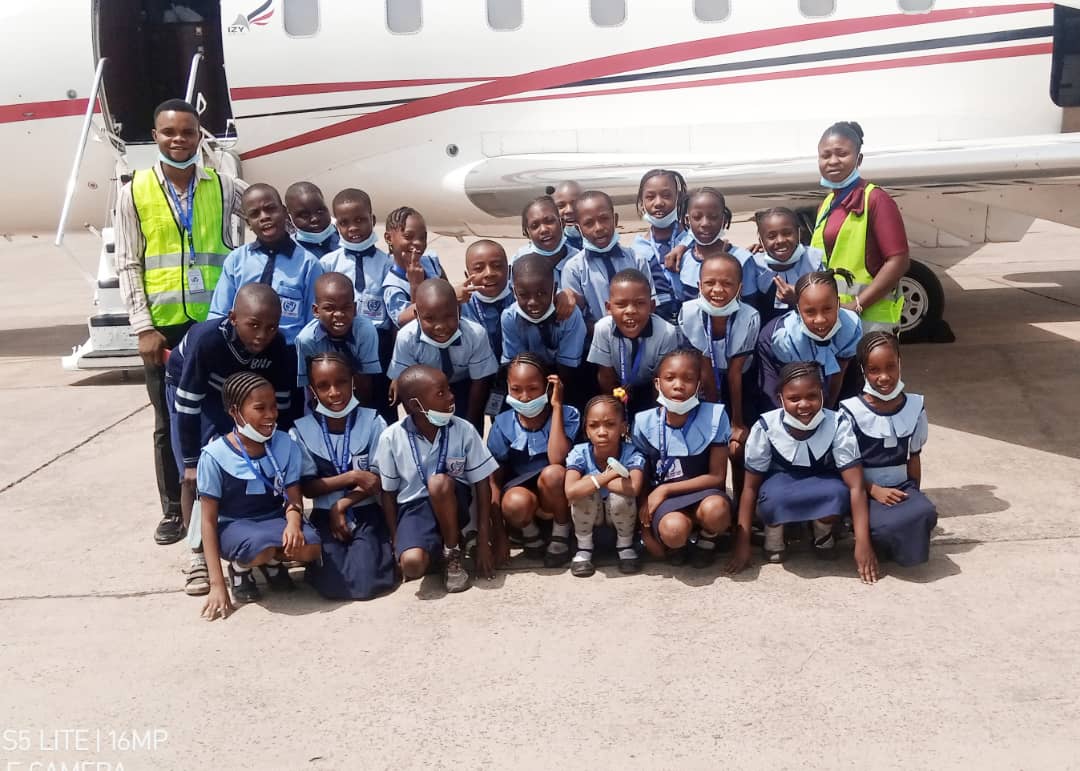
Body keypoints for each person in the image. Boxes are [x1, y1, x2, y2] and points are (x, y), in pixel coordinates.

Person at [115, 98, 246, 546]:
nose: (178, 140)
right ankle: (174, 509)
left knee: (228, 410)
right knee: (166, 419)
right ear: (155, 137)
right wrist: (142, 326)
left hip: (215, 324)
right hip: (165, 326)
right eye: (168, 132)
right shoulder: (134, 191)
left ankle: (229, 498)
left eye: (187, 132)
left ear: (199, 136)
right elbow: (129, 263)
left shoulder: (225, 185)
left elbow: (269, 222)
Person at [166, 283, 299, 595]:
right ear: (232, 318)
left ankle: (261, 539)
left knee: (256, 458)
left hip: (241, 395)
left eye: (271, 327)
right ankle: (197, 553)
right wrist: (189, 460)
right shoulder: (207, 340)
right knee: (197, 473)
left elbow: (281, 406)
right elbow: (188, 406)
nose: (261, 335)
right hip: (197, 394)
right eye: (253, 325)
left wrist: (285, 448)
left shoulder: (277, 346)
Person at [726, 362, 879, 584]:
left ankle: (822, 530)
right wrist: (742, 543)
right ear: (780, 399)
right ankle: (774, 532)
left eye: (812, 396)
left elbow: (856, 486)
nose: (804, 404)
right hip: (780, 489)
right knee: (771, 498)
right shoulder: (766, 426)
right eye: (794, 398)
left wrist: (863, 544)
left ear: (823, 396)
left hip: (823, 484)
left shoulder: (837, 423)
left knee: (840, 492)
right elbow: (750, 488)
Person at [199, 372, 322, 620]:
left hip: (274, 517)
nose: (271, 414)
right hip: (234, 524)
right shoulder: (214, 455)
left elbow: (293, 497)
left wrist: (294, 524)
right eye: (260, 408)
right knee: (260, 548)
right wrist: (216, 585)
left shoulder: (284, 443)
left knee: (310, 547)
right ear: (235, 412)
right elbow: (208, 521)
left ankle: (273, 564)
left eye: (274, 407)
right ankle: (239, 569)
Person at [374, 365, 502, 593]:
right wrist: (397, 542)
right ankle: (437, 550)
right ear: (416, 405)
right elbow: (388, 493)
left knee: (438, 483)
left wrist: (485, 539)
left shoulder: (463, 429)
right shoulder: (391, 437)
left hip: (455, 501)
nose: (452, 396)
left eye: (449, 389)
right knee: (412, 565)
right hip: (414, 508)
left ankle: (453, 554)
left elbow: (483, 483)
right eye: (441, 393)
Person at [290, 353, 396, 600]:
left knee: (366, 584)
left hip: (366, 510)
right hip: (324, 514)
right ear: (311, 389)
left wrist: (343, 503)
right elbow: (308, 488)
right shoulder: (301, 430)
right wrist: (352, 476)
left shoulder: (373, 422)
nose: (334, 392)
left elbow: (377, 479)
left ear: (353, 381)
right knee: (333, 586)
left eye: (341, 383)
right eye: (323, 386)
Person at [840, 332, 937, 566]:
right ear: (863, 371)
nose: (884, 377)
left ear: (900, 364)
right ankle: (868, 533)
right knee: (887, 525)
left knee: (925, 512)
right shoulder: (851, 411)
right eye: (874, 370)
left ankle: (895, 537)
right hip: (865, 490)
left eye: (891, 367)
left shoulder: (914, 406)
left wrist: (914, 492)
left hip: (901, 485)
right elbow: (845, 468)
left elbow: (914, 457)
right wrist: (874, 490)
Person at [632, 349, 733, 568]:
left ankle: (708, 540)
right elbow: (639, 477)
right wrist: (645, 530)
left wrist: (665, 489)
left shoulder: (715, 416)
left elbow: (717, 476)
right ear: (658, 384)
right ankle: (679, 545)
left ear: (698, 385)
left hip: (703, 492)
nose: (678, 385)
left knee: (717, 511)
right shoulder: (643, 422)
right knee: (674, 531)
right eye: (670, 378)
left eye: (688, 379)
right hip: (666, 504)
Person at [812, 121, 910, 334]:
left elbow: (899, 260)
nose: (833, 161)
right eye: (825, 155)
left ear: (859, 159)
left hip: (870, 320)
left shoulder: (875, 199)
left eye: (841, 153)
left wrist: (858, 303)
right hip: (836, 318)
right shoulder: (826, 204)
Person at [677, 250, 761, 499]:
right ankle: (710, 497)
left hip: (740, 382)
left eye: (727, 284)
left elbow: (735, 373)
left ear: (740, 288)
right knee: (707, 441)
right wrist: (714, 420)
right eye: (710, 283)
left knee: (739, 445)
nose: (718, 290)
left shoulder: (749, 317)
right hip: (703, 382)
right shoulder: (688, 313)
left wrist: (735, 422)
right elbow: (703, 366)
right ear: (698, 285)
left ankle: (743, 501)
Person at [487, 356, 578, 568]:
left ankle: (561, 532)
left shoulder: (569, 414)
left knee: (554, 472)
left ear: (548, 386)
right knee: (514, 502)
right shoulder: (502, 423)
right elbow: (494, 478)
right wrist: (498, 531)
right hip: (524, 494)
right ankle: (530, 533)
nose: (525, 397)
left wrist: (556, 407)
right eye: (516, 389)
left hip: (557, 494)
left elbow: (558, 458)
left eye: (533, 388)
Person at [209, 183, 325, 344]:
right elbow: (218, 314)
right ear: (248, 222)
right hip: (240, 354)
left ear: (285, 213)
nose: (264, 217)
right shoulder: (236, 260)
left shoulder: (309, 264)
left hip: (287, 355)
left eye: (271, 209)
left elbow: (313, 323)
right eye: (255, 214)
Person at [319, 188, 395, 423]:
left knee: (381, 406)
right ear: (336, 225)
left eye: (360, 220)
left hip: (378, 344)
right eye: (344, 222)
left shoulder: (387, 263)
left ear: (372, 220)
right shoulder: (328, 263)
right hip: (341, 343)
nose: (353, 228)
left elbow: (391, 314)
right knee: (345, 403)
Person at [387, 278, 498, 431]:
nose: (440, 326)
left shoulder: (475, 334)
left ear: (459, 311)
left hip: (464, 387)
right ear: (416, 315)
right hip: (426, 390)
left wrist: (471, 424)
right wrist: (420, 423)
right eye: (429, 319)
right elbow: (406, 385)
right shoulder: (407, 338)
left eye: (448, 317)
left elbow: (479, 383)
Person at [757, 269, 863, 412]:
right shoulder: (785, 339)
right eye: (810, 312)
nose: (820, 320)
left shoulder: (850, 328)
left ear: (838, 304)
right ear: (798, 310)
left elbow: (838, 373)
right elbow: (796, 383)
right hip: (778, 361)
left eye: (827, 309)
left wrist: (828, 409)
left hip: (827, 368)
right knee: (782, 408)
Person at [564, 395, 646, 577]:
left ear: (623, 428)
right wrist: (609, 475)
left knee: (620, 495)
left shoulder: (631, 452)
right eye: (594, 426)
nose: (602, 432)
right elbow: (570, 491)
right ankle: (584, 549)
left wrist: (591, 481)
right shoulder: (580, 452)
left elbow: (633, 488)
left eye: (610, 424)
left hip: (618, 521)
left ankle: (625, 546)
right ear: (586, 429)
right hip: (590, 521)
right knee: (583, 494)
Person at [587, 268, 680, 419]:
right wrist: (615, 411)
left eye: (639, 303)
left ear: (652, 306)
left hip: (650, 388)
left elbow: (661, 379)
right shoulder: (603, 329)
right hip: (617, 386)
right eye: (621, 304)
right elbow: (605, 376)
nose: (630, 311)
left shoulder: (666, 332)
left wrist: (655, 417)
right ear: (608, 308)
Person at [560, 190, 663, 327]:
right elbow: (576, 318)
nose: (598, 228)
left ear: (615, 220)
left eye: (604, 219)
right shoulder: (574, 269)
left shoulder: (636, 260)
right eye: (589, 223)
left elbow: (650, 304)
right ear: (579, 229)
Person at [500, 252, 587, 387]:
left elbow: (568, 366)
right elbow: (515, 364)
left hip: (565, 376)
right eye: (524, 295)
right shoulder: (510, 317)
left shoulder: (570, 314)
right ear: (514, 293)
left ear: (553, 289)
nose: (533, 302)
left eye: (541, 293)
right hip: (526, 378)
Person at [294, 272, 380, 405]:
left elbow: (366, 381)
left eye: (346, 308)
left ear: (355, 309)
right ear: (316, 311)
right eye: (329, 308)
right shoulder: (306, 340)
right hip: (320, 400)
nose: (339, 314)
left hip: (358, 395)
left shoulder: (365, 331)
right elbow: (310, 387)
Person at [676, 187, 758, 308]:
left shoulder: (742, 259)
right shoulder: (681, 259)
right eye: (697, 217)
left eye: (713, 217)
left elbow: (751, 305)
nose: (705, 223)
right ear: (687, 220)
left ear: (723, 219)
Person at [631, 169, 693, 320]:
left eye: (666, 195)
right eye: (650, 197)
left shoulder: (693, 240)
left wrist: (685, 245)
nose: (658, 203)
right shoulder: (637, 249)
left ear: (678, 198)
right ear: (642, 201)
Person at [749, 207, 825, 325]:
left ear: (799, 233)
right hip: (766, 336)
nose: (780, 240)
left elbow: (827, 301)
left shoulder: (813, 261)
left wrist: (799, 299)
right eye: (771, 236)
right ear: (761, 241)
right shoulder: (754, 266)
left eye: (787, 233)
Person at [381, 206, 446, 329]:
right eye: (408, 236)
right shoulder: (393, 286)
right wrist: (415, 286)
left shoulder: (431, 262)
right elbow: (408, 324)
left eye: (422, 237)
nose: (418, 243)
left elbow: (446, 292)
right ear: (389, 238)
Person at [458, 240, 513, 363]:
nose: (489, 273)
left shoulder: (523, 297)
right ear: (467, 275)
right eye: (478, 268)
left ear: (509, 270)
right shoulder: (461, 305)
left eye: (497, 266)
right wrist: (451, 298)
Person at [512, 195, 580, 293]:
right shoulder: (519, 260)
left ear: (562, 223)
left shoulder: (577, 260)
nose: (544, 230)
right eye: (535, 226)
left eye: (549, 221)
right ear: (527, 232)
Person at [285, 181, 339, 258]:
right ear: (289, 216)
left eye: (320, 211)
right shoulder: (289, 252)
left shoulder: (348, 238)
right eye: (304, 215)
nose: (315, 219)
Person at [551, 180, 584, 250]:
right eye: (561, 206)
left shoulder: (600, 239)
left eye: (575, 204)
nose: (569, 210)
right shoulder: (552, 246)